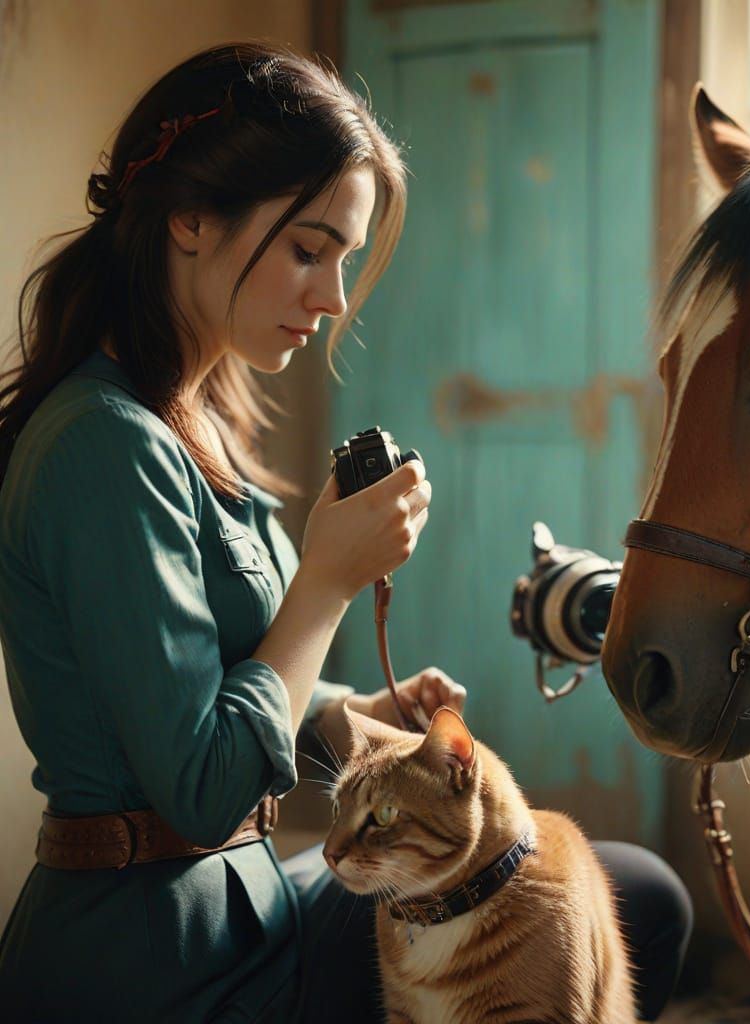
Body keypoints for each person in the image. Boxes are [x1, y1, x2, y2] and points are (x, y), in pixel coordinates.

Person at [0, 42, 691, 1022]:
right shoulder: (101, 450)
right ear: (190, 218)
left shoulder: (188, 419)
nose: (330, 301)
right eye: (307, 249)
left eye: (345, 262)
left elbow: (223, 673)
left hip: (249, 905)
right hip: (164, 959)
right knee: (614, 905)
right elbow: (198, 787)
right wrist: (326, 580)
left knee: (616, 893)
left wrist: (349, 706)